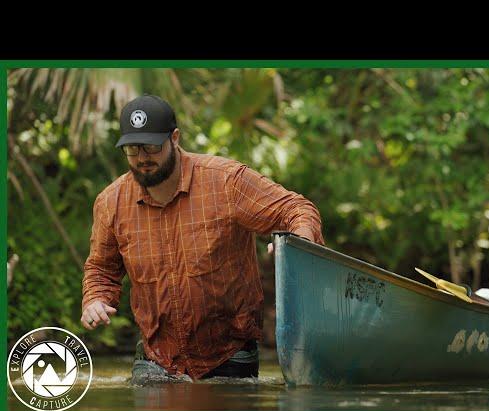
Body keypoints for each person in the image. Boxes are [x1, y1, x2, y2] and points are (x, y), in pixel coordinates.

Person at [81, 94, 324, 385]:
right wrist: (95, 300)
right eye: (133, 149)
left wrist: (297, 245)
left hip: (229, 355)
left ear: (175, 137)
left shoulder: (225, 182)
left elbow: (296, 209)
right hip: (155, 360)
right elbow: (101, 269)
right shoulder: (111, 202)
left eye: (151, 147)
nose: (143, 158)